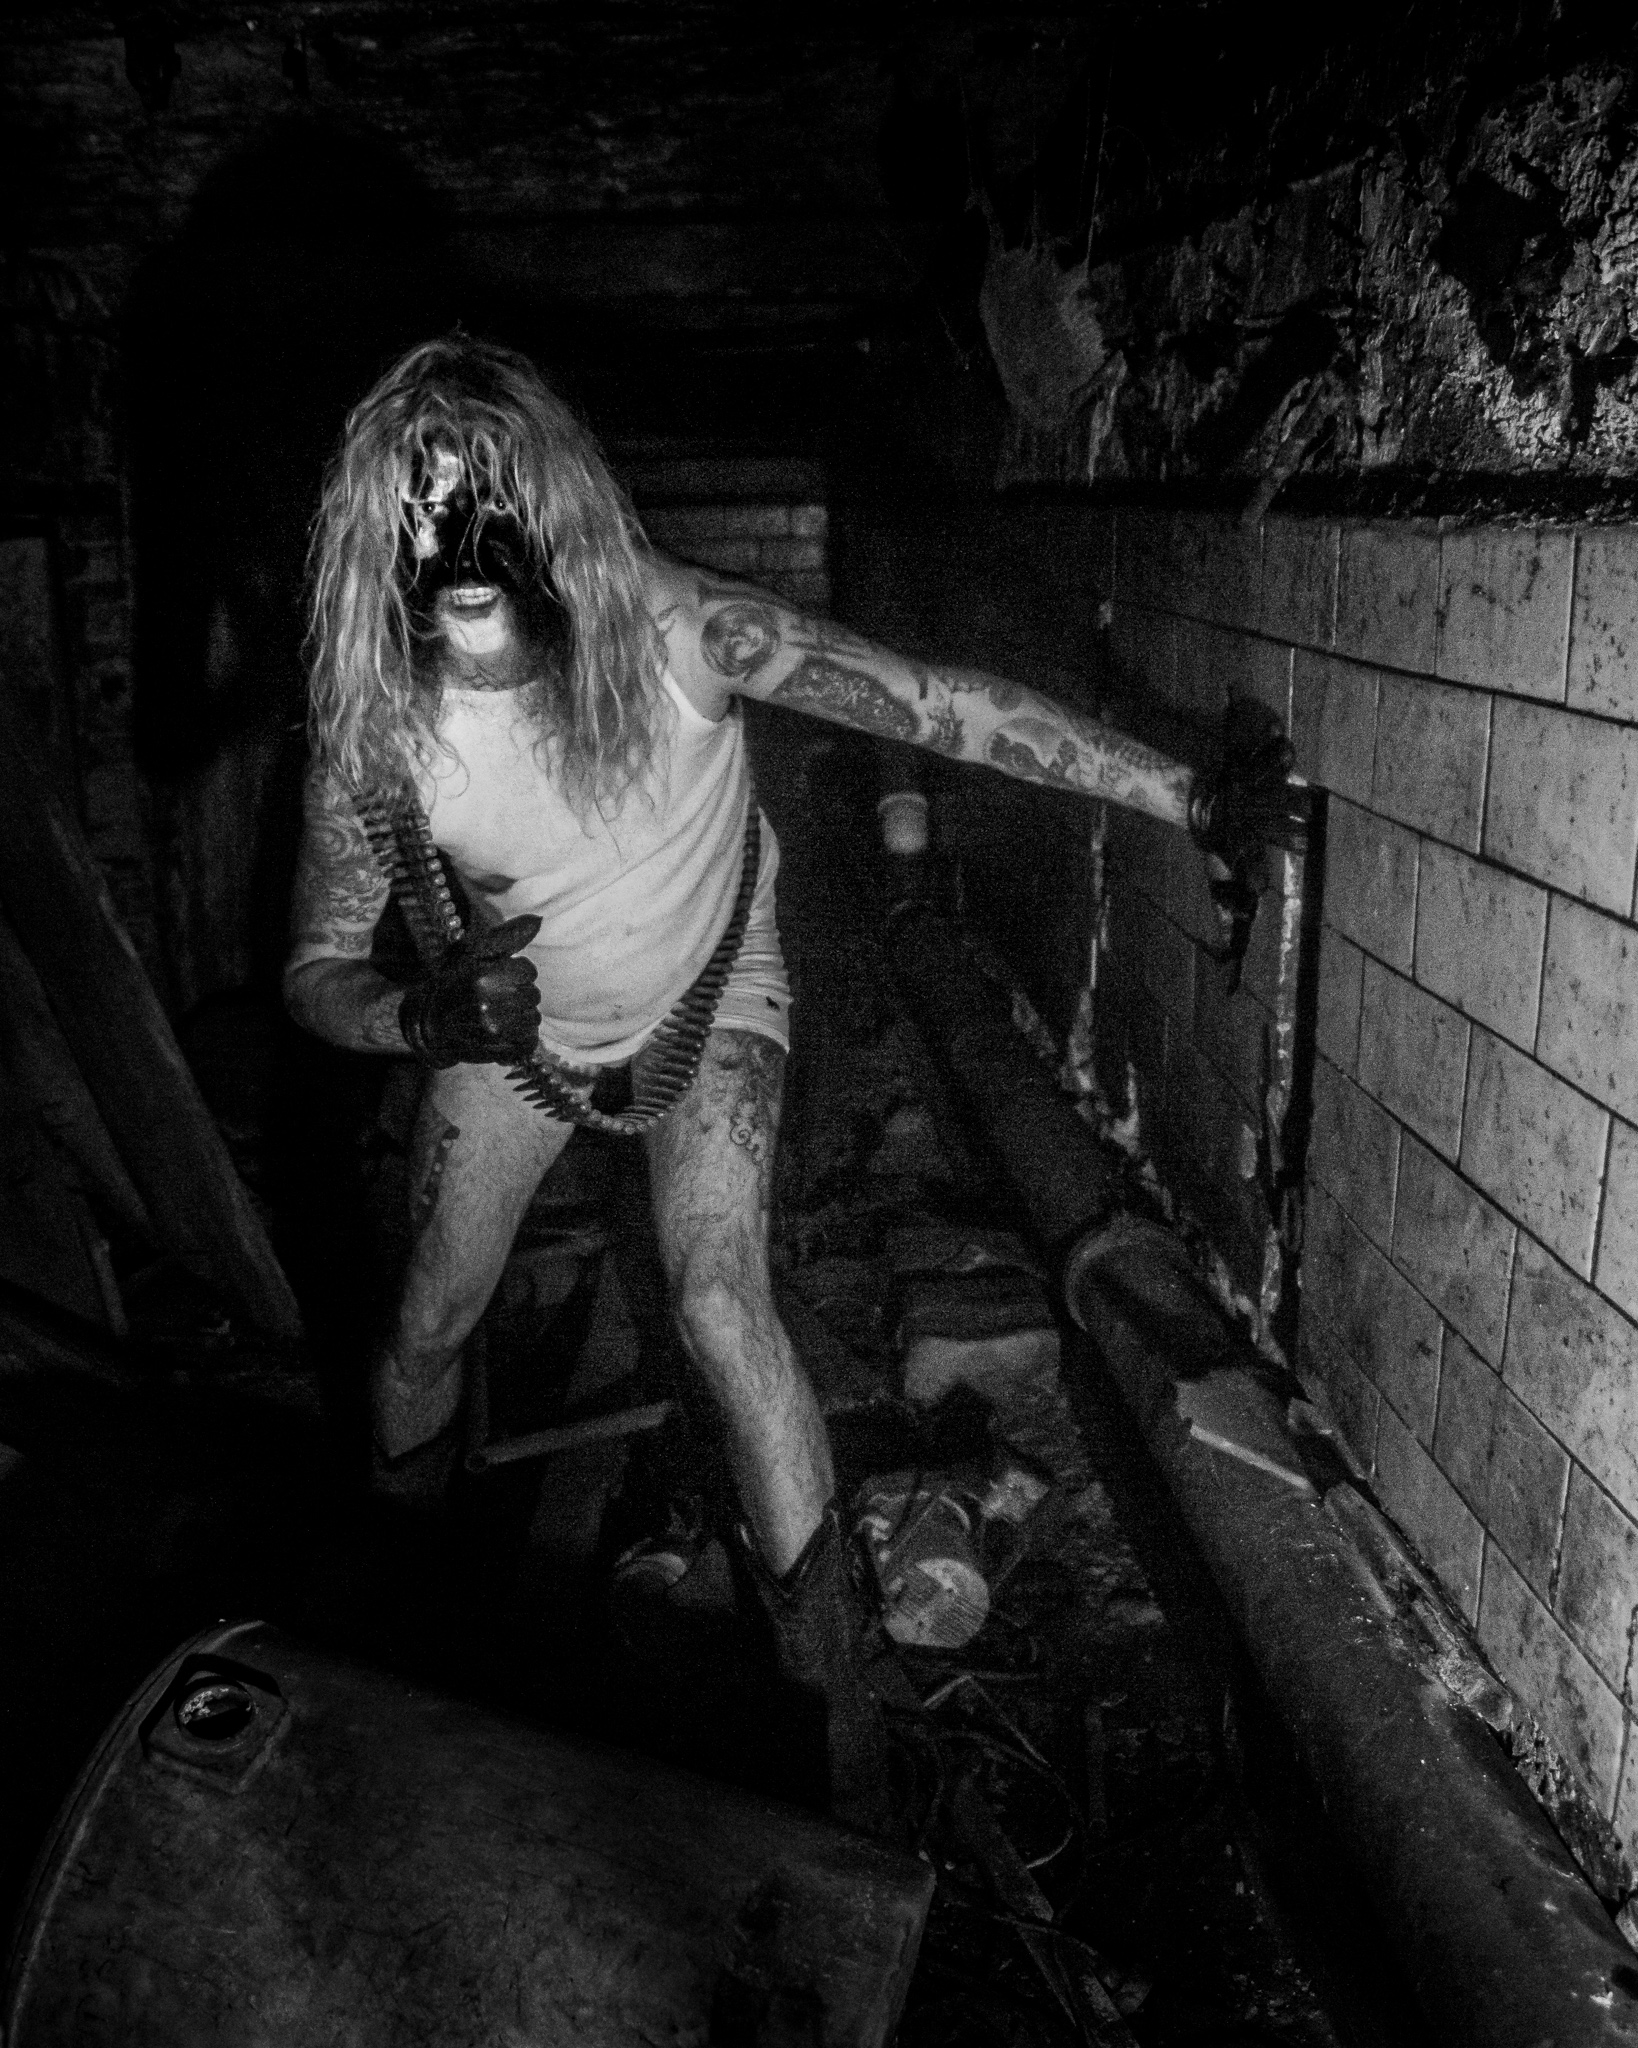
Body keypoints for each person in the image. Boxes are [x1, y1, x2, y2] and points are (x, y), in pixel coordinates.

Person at [284, 334, 1302, 1829]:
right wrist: (418, 1017)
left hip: (712, 995)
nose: (457, 541)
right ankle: (401, 1636)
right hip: (509, 1038)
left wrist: (1187, 793)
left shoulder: (682, 633)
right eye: (420, 508)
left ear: (555, 506)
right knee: (431, 1318)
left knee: (718, 1298)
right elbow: (315, 972)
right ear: (373, 533)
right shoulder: (374, 731)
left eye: (488, 498)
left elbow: (937, 707)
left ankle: (841, 1735)